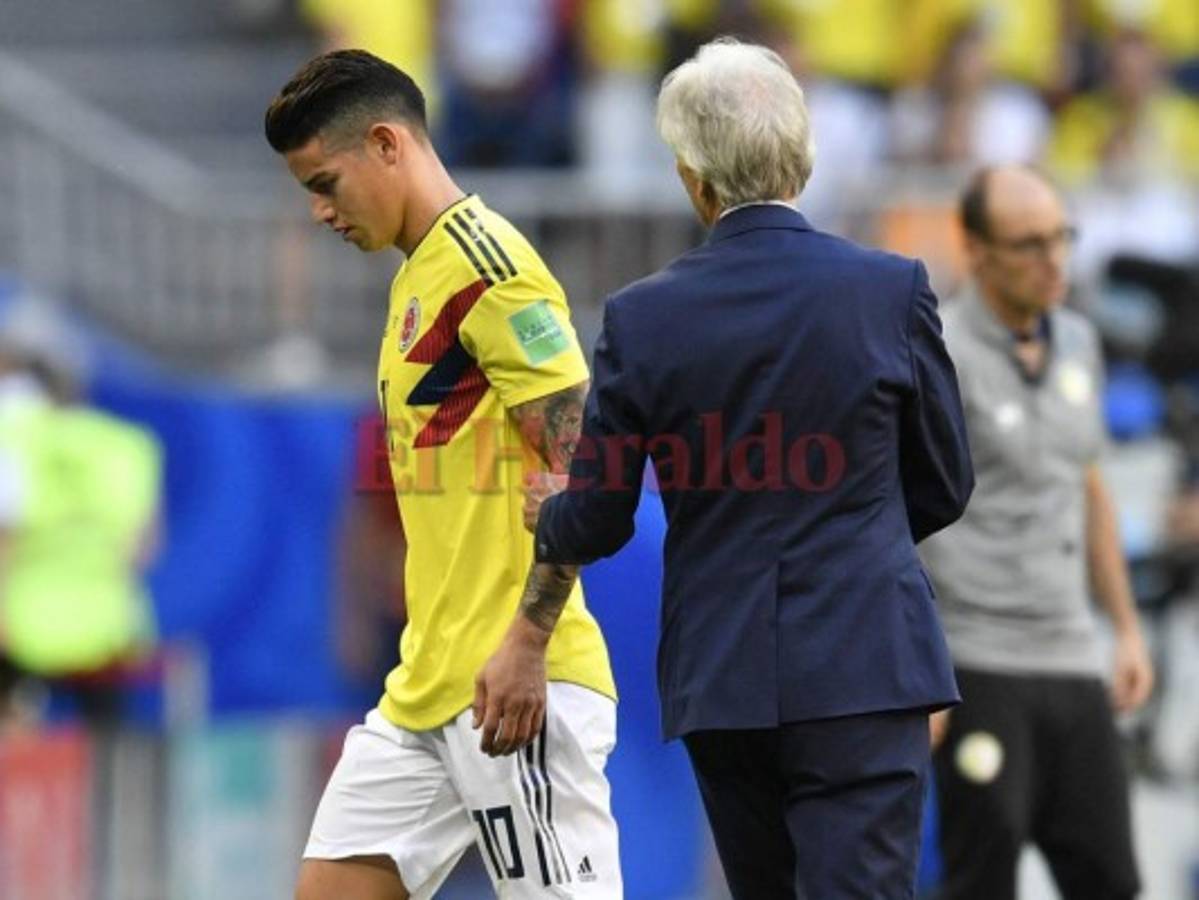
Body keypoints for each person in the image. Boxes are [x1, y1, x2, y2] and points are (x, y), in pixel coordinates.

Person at [480, 38, 974, 899]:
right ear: (802, 161)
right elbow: (945, 480)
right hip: (866, 659)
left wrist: (551, 513)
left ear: (692, 179)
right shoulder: (891, 289)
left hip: (725, 672)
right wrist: (861, 537)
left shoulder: (642, 318)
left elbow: (599, 517)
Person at [263, 51, 620, 900]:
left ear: (386, 144)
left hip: (515, 689)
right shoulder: (419, 273)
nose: (318, 211)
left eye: (325, 182)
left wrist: (528, 642)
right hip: (426, 689)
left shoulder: (489, 264)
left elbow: (587, 466)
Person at [919, 165, 1155, 900]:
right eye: (1028, 245)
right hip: (977, 660)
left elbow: (1088, 490)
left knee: (1110, 879)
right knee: (981, 881)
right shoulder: (937, 353)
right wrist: (918, 670)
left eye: (1061, 238)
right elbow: (897, 512)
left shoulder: (1079, 342)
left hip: (1070, 655)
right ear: (976, 249)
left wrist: (1123, 626)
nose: (1054, 260)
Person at [0, 315, 162, 729]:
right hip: (107, 633)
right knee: (107, 758)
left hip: (17, 634)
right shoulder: (128, 445)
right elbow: (143, 548)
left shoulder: (10, 435)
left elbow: (6, 536)